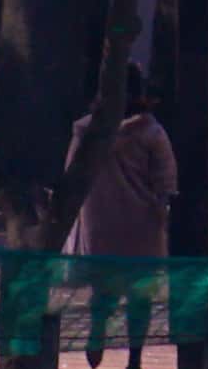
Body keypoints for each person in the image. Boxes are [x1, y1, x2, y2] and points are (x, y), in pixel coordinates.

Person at [64, 94, 175, 258]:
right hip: (142, 228)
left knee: (101, 275)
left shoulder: (85, 132)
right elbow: (166, 182)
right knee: (138, 279)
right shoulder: (152, 132)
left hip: (95, 221)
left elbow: (71, 178)